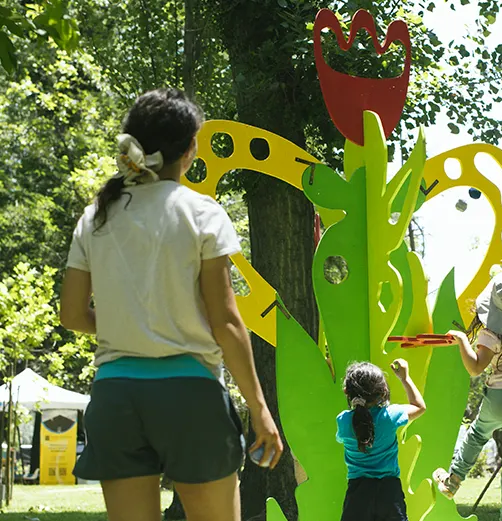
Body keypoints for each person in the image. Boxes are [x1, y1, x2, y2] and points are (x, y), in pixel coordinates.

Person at [59, 88, 282, 521]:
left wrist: (129, 324)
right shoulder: (201, 212)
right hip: (190, 396)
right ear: (190, 150)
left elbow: (71, 315)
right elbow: (227, 322)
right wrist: (259, 408)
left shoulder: (96, 216)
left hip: (115, 396)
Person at [433, 255, 502, 521]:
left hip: (500, 398)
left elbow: (475, 368)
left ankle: (453, 480)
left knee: (477, 435)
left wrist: (462, 340)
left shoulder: (491, 334)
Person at [336, 359, 426, 521]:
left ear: (346, 392)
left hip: (358, 493)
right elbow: (419, 406)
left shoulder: (343, 421)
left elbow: (342, 437)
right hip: (389, 491)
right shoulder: (390, 416)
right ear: (383, 392)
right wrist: (404, 378)